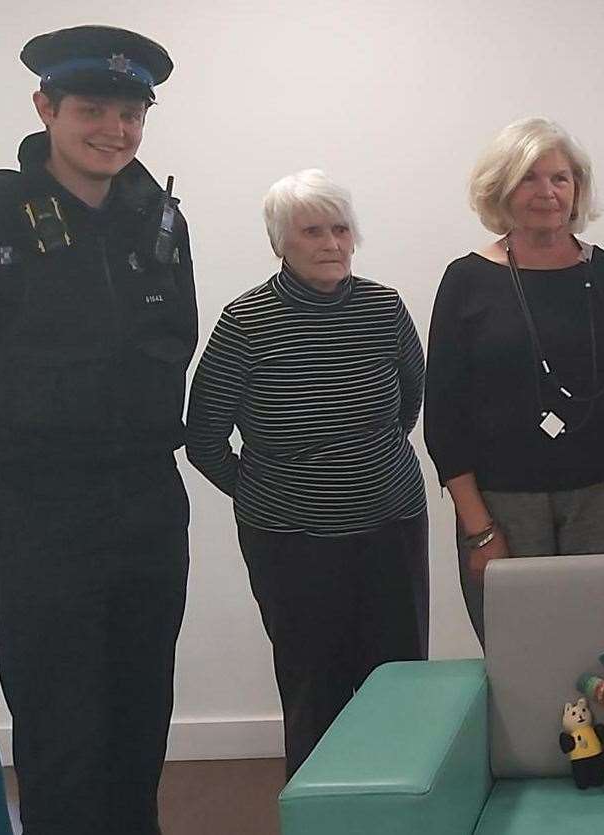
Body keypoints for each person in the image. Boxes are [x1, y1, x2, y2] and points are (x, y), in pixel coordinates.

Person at [0, 26, 194, 834]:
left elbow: (176, 342)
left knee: (142, 720)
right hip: (44, 509)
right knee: (61, 732)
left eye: (131, 113)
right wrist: (31, 435)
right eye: (92, 109)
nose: (114, 129)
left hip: (148, 503)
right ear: (46, 107)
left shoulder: (161, 220)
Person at [185, 169, 429, 777]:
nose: (330, 243)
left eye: (340, 229)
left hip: (390, 523)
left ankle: (399, 809)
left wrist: (360, 466)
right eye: (311, 230)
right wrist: (270, 493)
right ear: (280, 243)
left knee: (398, 682)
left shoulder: (383, 306)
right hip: (289, 541)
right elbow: (204, 438)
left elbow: (409, 403)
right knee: (312, 689)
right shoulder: (245, 322)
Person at [426, 118, 604, 644]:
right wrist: (479, 530)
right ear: (502, 187)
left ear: (577, 190)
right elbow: (444, 420)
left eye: (560, 179)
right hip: (503, 506)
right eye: (529, 178)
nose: (546, 192)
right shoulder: (466, 281)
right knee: (521, 657)